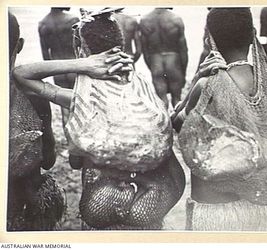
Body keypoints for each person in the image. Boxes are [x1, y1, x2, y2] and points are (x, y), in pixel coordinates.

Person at [14, 9, 185, 230]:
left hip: (101, 204)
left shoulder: (81, 100)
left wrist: (84, 65)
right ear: (120, 47)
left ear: (83, 50)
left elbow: (21, 74)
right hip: (148, 204)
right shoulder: (144, 94)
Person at [172, 8, 267, 231]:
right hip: (258, 208)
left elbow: (178, 124)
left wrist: (196, 78)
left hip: (215, 212)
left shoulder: (206, 85)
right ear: (252, 35)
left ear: (209, 39)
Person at [8, 12, 64, 231]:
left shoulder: (44, 23)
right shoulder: (32, 96)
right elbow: (48, 160)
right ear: (19, 45)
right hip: (22, 208)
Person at [38, 7, 79, 131]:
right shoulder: (72, 19)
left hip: (58, 71)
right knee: (79, 106)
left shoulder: (43, 23)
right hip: (75, 67)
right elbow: (80, 46)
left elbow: (45, 56)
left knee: (65, 110)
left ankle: (69, 142)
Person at [140, 8, 188, 108]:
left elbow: (145, 50)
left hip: (156, 61)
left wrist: (152, 67)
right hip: (173, 61)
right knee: (177, 100)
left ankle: (166, 123)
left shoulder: (145, 20)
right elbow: (183, 49)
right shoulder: (176, 19)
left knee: (161, 101)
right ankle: (178, 123)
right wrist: (183, 71)